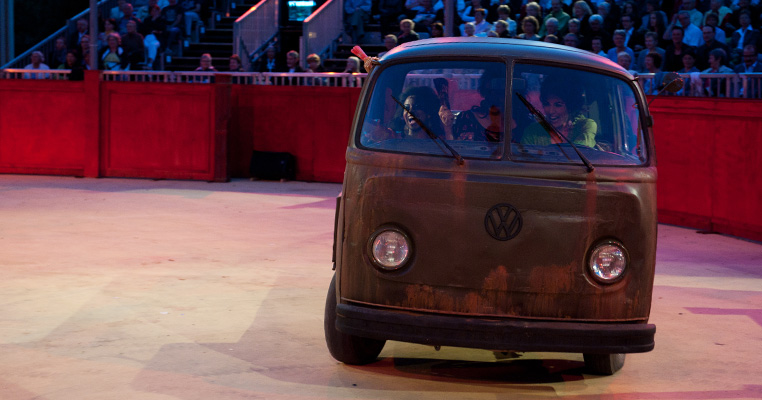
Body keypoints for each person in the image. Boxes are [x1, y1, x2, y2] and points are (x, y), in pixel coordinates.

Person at [521, 80, 597, 148]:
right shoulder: (533, 131)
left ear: (570, 106)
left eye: (558, 105)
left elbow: (580, 153)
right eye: (546, 104)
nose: (551, 111)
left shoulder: (584, 126)